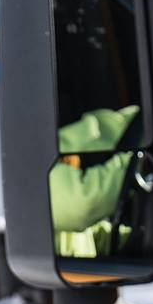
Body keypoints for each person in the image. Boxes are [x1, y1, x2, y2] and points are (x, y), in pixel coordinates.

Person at [49, 104, 140, 258]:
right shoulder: (31, 158)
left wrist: (143, 235)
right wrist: (135, 162)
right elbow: (84, 202)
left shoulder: (70, 227)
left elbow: (97, 238)